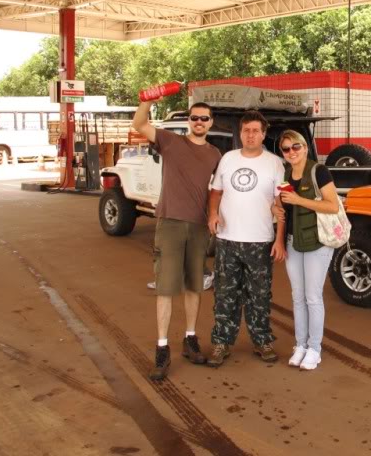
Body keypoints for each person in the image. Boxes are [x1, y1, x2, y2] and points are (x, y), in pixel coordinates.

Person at [132, 100, 221, 381]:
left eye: (204, 119)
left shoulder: (216, 154)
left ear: (211, 122)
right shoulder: (171, 141)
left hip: (198, 227)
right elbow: (140, 125)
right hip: (170, 222)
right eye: (195, 118)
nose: (199, 122)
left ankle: (190, 339)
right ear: (188, 121)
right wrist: (145, 103)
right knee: (166, 288)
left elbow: (218, 190)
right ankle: (162, 348)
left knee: (195, 285)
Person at [207, 111, 287, 367]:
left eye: (255, 131)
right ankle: (221, 342)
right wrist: (212, 215)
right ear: (240, 133)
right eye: (246, 130)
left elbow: (280, 204)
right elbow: (216, 192)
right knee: (225, 294)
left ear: (263, 134)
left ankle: (262, 340)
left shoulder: (274, 163)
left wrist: (279, 240)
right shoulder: (227, 159)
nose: (250, 135)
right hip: (228, 239)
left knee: (259, 296)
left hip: (260, 240)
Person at [278, 130, 340, 371]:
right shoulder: (285, 174)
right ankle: (300, 345)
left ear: (304, 147)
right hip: (294, 242)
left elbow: (333, 206)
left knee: (313, 297)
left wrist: (299, 200)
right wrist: (277, 211)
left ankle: (315, 348)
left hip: (317, 242)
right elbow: (282, 207)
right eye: (286, 149)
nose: (292, 152)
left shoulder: (318, 171)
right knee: (297, 296)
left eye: (296, 146)